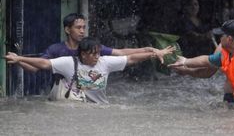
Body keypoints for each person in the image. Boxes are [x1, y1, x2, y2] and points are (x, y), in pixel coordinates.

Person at [5, 37, 175, 104]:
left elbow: (129, 58)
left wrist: (153, 53)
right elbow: (43, 64)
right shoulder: (69, 62)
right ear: (83, 54)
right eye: (94, 54)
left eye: (98, 53)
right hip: (76, 106)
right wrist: (20, 59)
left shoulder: (105, 62)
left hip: (101, 107)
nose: (97, 57)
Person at [17, 13, 160, 72]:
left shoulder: (91, 47)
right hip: (65, 94)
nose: (82, 31)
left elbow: (121, 52)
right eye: (78, 28)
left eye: (84, 27)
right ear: (67, 29)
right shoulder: (55, 49)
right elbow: (36, 68)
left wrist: (146, 49)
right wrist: (17, 60)